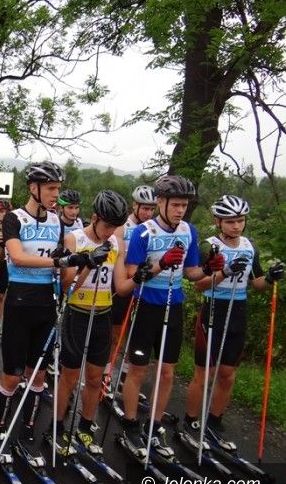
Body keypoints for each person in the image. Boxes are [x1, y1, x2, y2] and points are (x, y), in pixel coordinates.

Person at [121, 175, 224, 459]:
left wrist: (209, 269)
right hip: (146, 306)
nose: (180, 210)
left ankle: (154, 426)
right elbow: (132, 273)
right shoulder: (143, 232)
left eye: (184, 205)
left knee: (167, 372)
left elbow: (191, 273)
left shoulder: (189, 230)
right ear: (161, 202)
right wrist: (161, 263)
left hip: (173, 305)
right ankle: (130, 424)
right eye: (175, 204)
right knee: (138, 370)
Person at [51, 190, 153, 455]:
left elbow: (121, 288)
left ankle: (85, 426)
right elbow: (67, 287)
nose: (110, 232)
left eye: (115, 227)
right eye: (107, 226)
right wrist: (88, 263)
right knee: (70, 377)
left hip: (103, 315)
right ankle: (56, 427)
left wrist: (139, 277)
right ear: (95, 218)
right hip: (77, 313)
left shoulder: (116, 244)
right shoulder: (74, 239)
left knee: (96, 378)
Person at [182, 195, 284, 451]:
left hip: (238, 311)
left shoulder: (250, 247)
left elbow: (256, 283)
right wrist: (224, 272)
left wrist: (270, 279)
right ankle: (190, 422)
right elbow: (199, 284)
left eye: (240, 220)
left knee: (227, 375)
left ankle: (214, 422)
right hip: (213, 309)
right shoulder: (209, 246)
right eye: (230, 221)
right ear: (218, 222)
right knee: (204, 373)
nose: (236, 226)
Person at [0, 161, 70, 456]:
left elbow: (61, 263)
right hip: (19, 303)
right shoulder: (14, 218)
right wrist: (58, 261)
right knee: (12, 374)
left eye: (58, 188)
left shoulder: (57, 221)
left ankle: (28, 425)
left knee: (37, 374)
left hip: (46, 305)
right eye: (50, 188)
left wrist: (73, 262)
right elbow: (17, 257)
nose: (55, 194)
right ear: (33, 188)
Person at [107, 184, 157, 388]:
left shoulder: (153, 228)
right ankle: (105, 375)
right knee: (115, 334)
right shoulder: (123, 226)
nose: (148, 213)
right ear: (135, 205)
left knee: (134, 335)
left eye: (152, 209)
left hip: (143, 286)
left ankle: (126, 376)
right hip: (121, 284)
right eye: (145, 208)